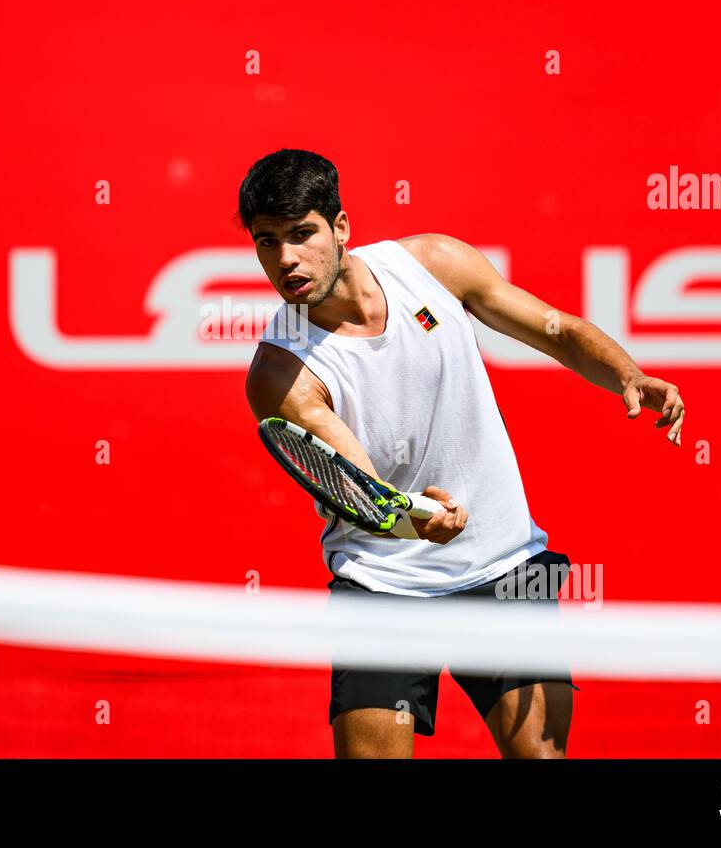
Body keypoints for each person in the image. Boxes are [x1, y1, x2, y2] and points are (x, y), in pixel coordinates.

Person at [239, 149, 686, 758]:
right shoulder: (280, 372)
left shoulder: (433, 265)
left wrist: (625, 372)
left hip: (504, 566)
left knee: (541, 757)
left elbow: (553, 328)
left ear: (340, 227)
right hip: (383, 585)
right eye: (268, 242)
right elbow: (362, 490)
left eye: (302, 234)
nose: (287, 260)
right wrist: (414, 517)